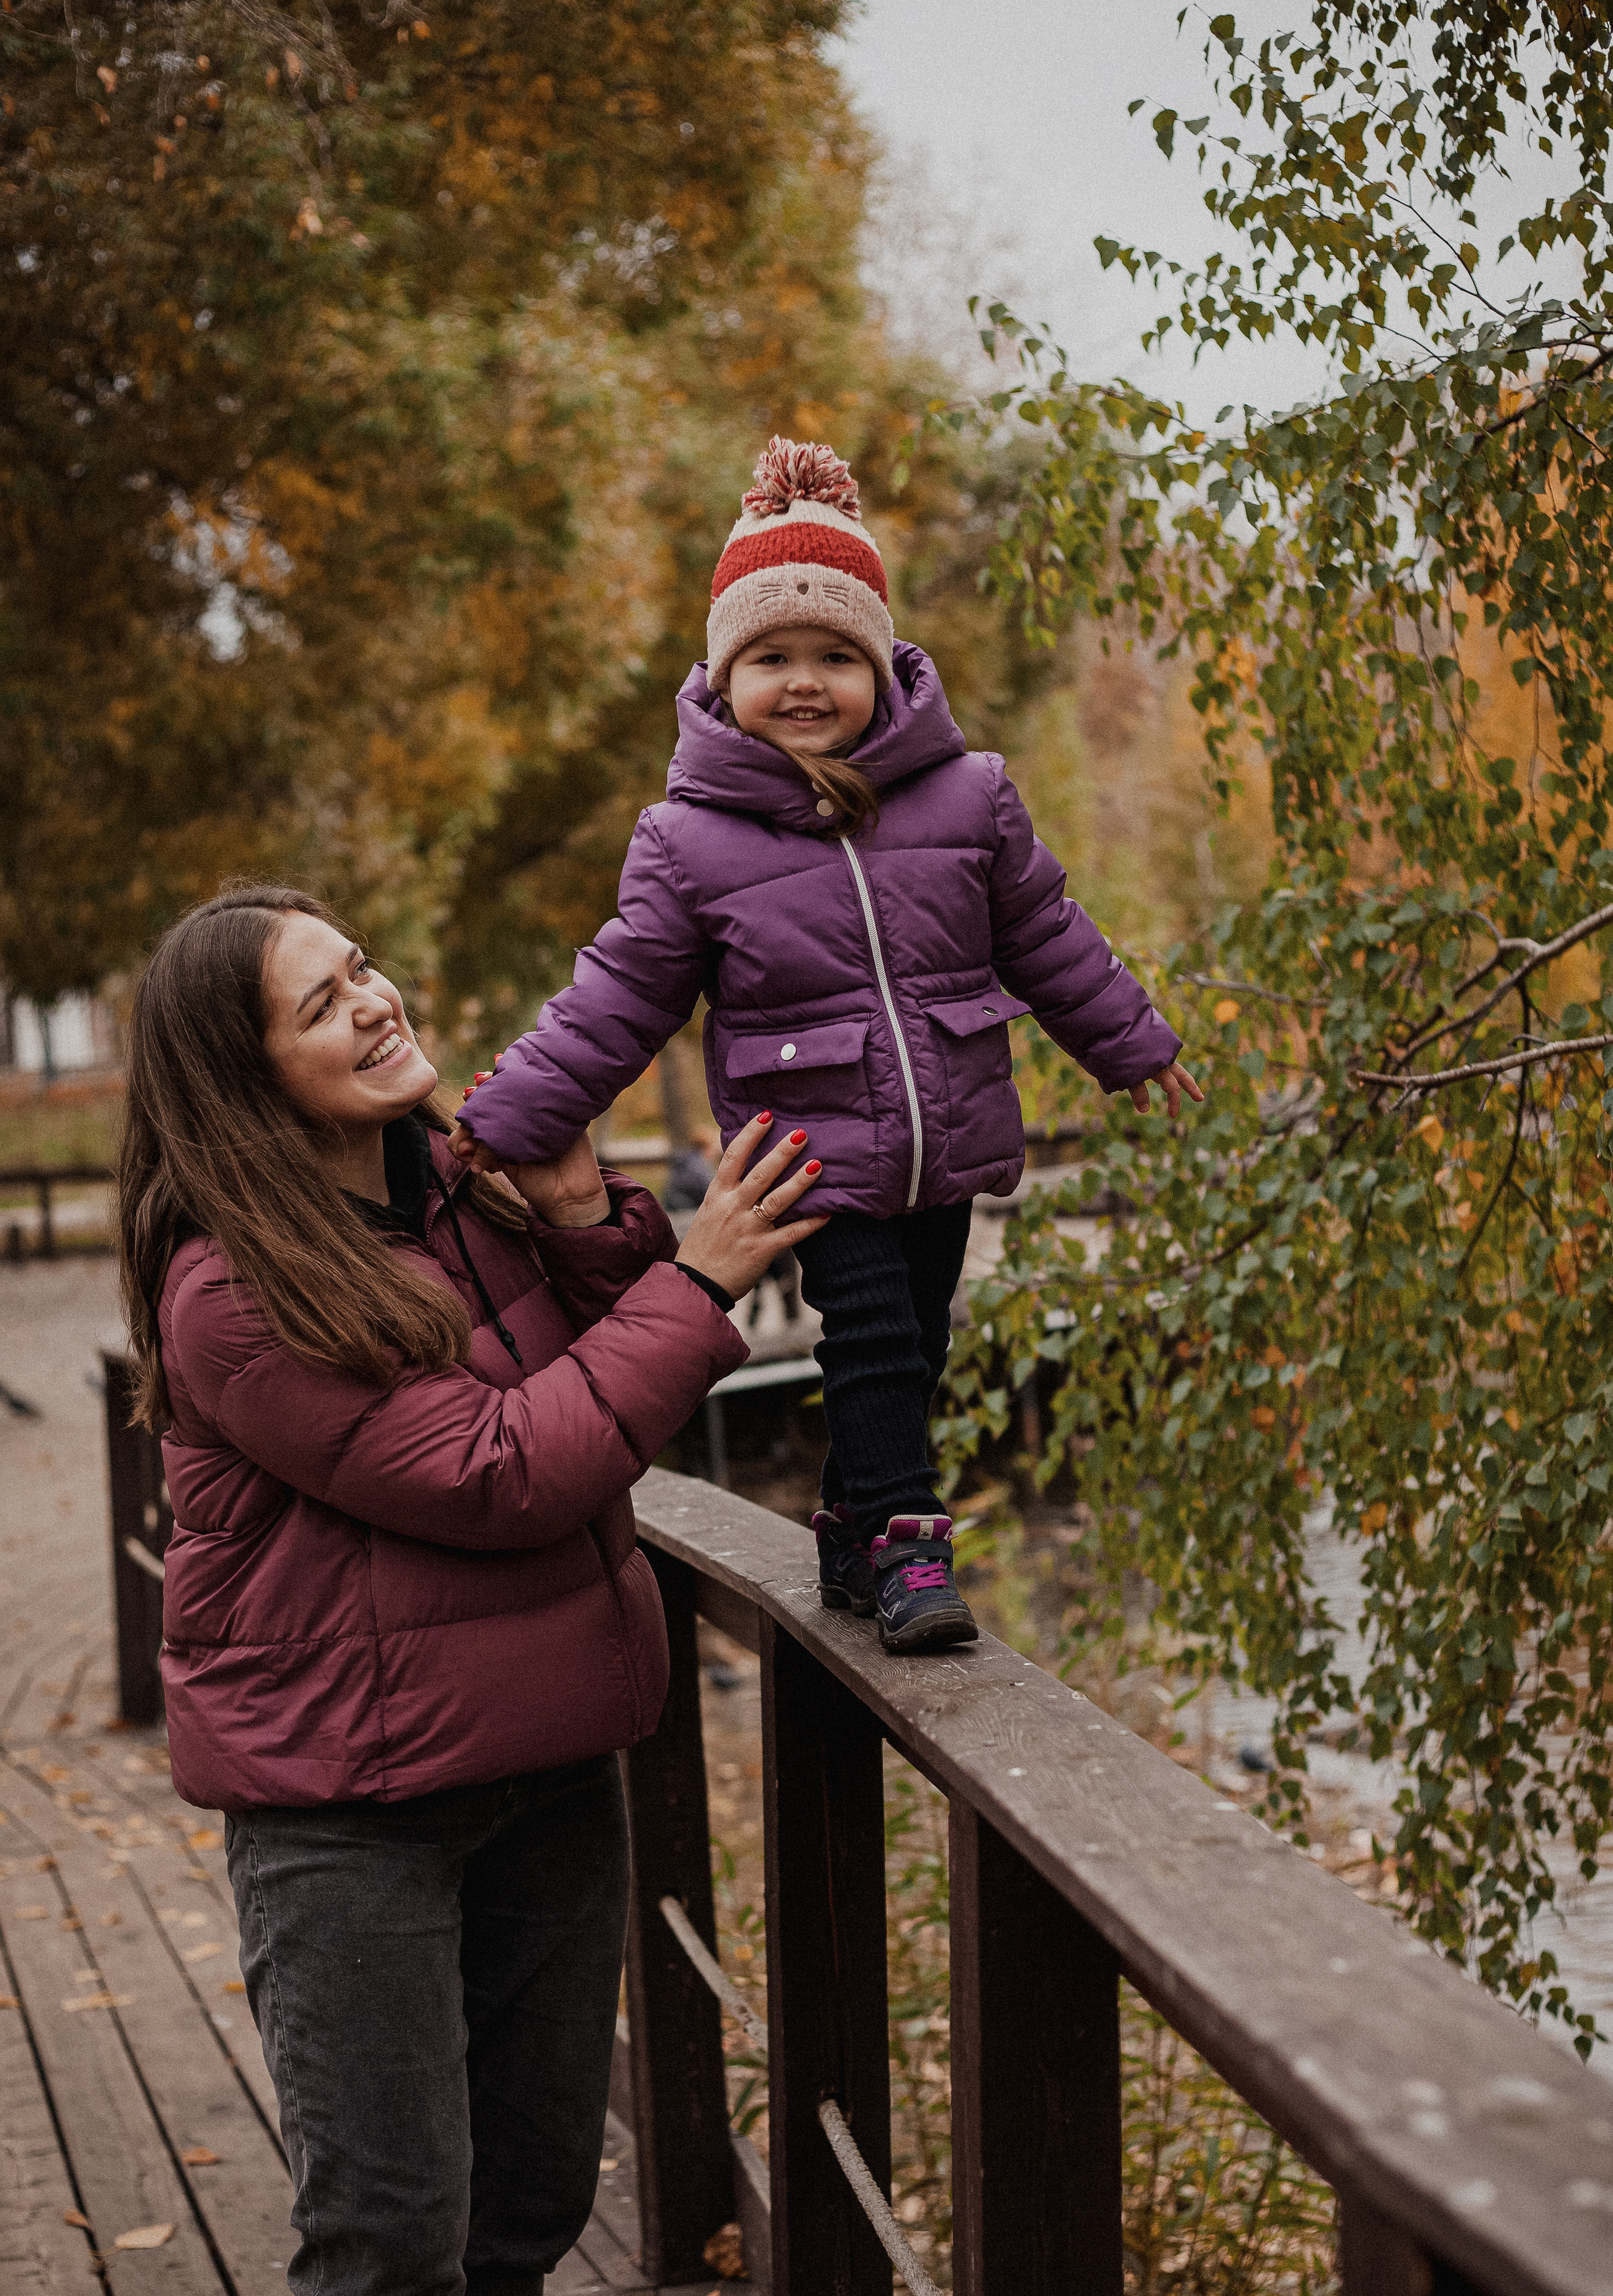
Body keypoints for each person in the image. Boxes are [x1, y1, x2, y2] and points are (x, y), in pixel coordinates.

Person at [115, 884, 825, 2296]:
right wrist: (700, 1275)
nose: (376, 1003)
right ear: (238, 1076)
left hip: (540, 1771)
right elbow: (511, 1468)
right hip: (346, 1814)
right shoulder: (230, 1292)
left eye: (366, 969)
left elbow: (586, 1365)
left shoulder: (452, 1189)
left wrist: (591, 1209)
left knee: (514, 2207)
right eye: (320, 1000)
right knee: (384, 2251)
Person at [453, 436, 1204, 1655]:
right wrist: (513, 1114)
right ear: (722, 676)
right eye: (771, 659)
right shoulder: (691, 841)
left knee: (921, 1341)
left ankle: (854, 1533)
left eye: (834, 658)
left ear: (883, 666)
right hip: (808, 1151)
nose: (805, 683)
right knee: (873, 1338)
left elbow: (1047, 934)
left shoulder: (968, 796)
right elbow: (620, 995)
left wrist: (1132, 1041)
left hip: (945, 1137)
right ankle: (910, 1547)